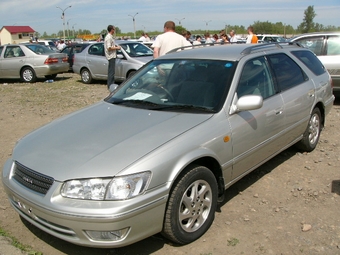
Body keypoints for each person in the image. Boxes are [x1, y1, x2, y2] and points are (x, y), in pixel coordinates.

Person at [104, 25, 121, 89]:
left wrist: (115, 45)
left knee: (112, 72)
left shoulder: (111, 37)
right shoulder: (108, 37)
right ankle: (110, 85)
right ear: (111, 30)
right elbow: (109, 48)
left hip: (112, 56)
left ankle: (111, 84)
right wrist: (117, 48)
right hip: (111, 56)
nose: (114, 31)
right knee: (111, 72)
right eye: (114, 29)